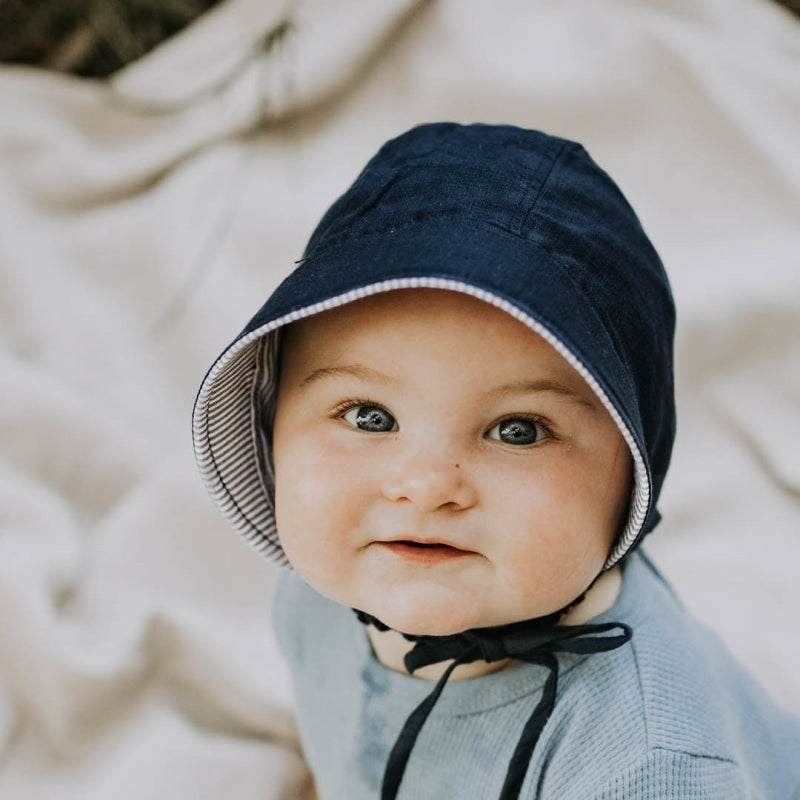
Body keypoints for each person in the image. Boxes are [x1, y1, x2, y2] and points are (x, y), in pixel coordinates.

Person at [192, 123, 800, 799]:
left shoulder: (647, 764)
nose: (424, 488)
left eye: (517, 430)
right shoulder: (332, 581)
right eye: (369, 416)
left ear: (632, 474)